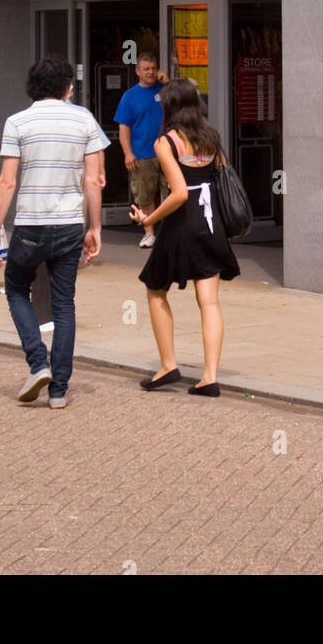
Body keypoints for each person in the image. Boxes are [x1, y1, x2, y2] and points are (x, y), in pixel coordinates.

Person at [0, 56, 106, 409]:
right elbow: (93, 179)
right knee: (63, 303)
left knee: (15, 289)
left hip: (30, 225)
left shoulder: (17, 122)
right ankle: (59, 390)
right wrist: (96, 226)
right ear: (67, 86)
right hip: (70, 224)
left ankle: (38, 362)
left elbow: (7, 181)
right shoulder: (84, 119)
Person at [133, 78, 239, 397]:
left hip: (183, 223)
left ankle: (168, 365)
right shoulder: (211, 137)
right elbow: (219, 174)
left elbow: (179, 193)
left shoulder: (166, 142)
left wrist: (148, 219)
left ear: (170, 107)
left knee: (155, 288)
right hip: (212, 223)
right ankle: (209, 376)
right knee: (209, 300)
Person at [114, 52, 168, 249]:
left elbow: (181, 104)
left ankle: (172, 232)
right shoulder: (129, 96)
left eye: (153, 68)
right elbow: (123, 128)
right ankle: (149, 233)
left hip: (168, 151)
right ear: (137, 71)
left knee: (170, 192)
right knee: (144, 195)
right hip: (142, 153)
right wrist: (128, 153)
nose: (151, 72)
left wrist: (168, 82)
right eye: (146, 69)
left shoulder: (165, 90)